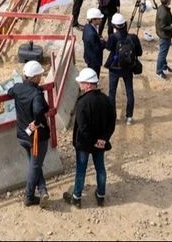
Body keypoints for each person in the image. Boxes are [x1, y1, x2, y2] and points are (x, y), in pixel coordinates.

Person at [63, 68, 116, 209]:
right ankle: (100, 196)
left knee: (81, 170)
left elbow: (82, 127)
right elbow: (111, 122)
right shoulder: (107, 100)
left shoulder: (82, 103)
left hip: (85, 143)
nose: (80, 84)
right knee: (100, 168)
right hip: (100, 143)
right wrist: (103, 140)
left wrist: (93, 141)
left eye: (82, 82)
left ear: (88, 85)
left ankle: (76, 198)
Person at [7, 61, 52, 207]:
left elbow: (10, 91)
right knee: (35, 165)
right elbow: (39, 110)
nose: (41, 77)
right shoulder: (36, 94)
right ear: (34, 77)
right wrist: (38, 122)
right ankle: (29, 196)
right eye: (39, 75)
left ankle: (43, 190)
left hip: (22, 135)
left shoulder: (18, 88)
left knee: (35, 164)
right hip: (36, 138)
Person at [104, 13, 143, 125]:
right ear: (125, 24)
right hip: (128, 68)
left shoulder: (112, 37)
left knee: (112, 92)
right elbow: (139, 53)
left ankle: (113, 117)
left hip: (114, 67)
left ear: (113, 26)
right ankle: (129, 117)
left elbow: (108, 48)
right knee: (129, 91)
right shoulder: (133, 37)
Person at [154, 0, 172, 80]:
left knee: (164, 52)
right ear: (168, 2)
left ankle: (164, 66)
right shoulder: (163, 13)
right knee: (162, 53)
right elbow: (163, 26)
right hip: (164, 35)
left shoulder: (162, 7)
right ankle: (159, 71)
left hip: (165, 34)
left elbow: (169, 13)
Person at [83, 8, 105, 78]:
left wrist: (99, 39)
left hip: (88, 56)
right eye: (99, 19)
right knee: (94, 77)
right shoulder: (92, 34)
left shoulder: (86, 27)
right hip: (94, 61)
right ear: (93, 20)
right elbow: (98, 49)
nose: (101, 20)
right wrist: (105, 42)